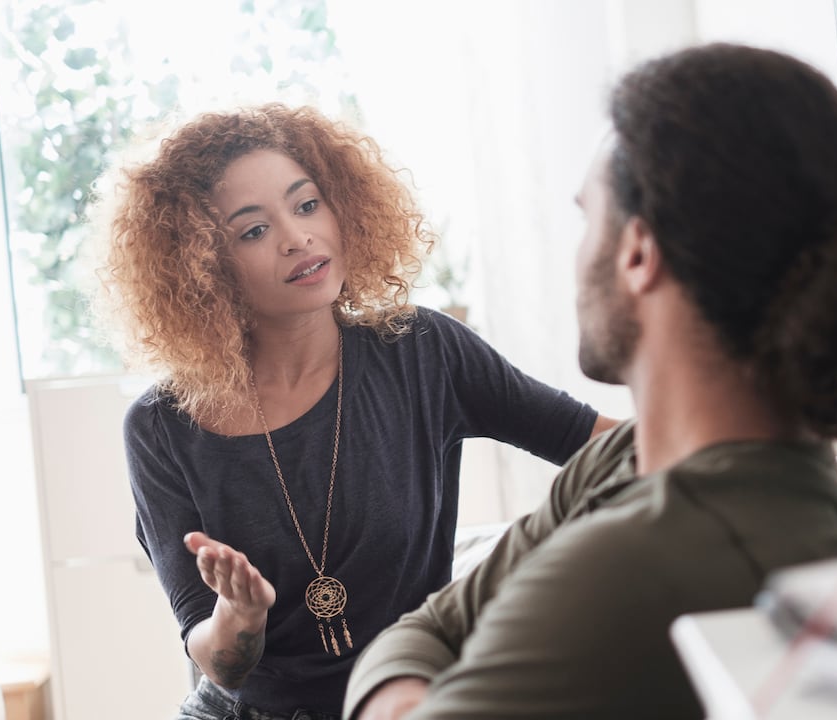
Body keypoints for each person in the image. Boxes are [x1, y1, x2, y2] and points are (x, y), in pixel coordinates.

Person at [342, 42, 837, 720]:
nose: (579, 248)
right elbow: (424, 629)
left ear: (639, 252)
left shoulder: (636, 567)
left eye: (589, 217)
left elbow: (413, 641)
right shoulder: (630, 458)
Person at [89, 103, 616, 720]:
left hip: (403, 701)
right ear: (203, 267)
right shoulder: (162, 426)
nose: (297, 237)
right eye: (253, 230)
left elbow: (609, 448)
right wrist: (240, 616)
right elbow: (218, 662)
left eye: (307, 204)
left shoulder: (423, 351)